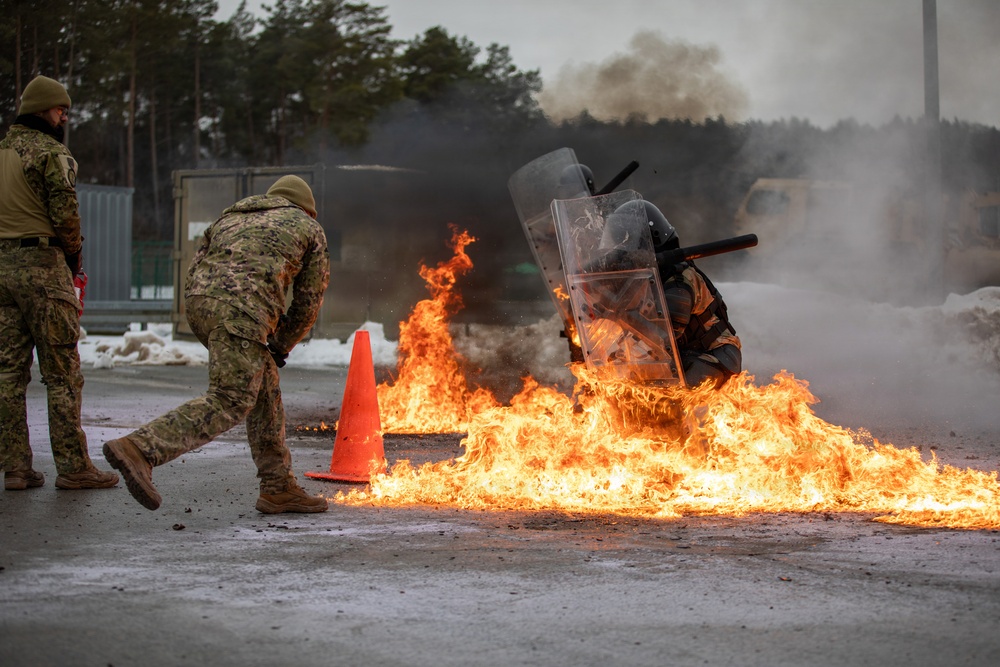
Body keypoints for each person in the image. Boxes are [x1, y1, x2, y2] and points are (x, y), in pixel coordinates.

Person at [103, 175, 331, 514]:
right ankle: (142, 448)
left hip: (199, 305)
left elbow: (197, 266)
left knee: (264, 386)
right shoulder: (309, 228)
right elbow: (308, 301)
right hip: (242, 311)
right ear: (306, 209)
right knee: (232, 396)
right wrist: (283, 343)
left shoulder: (229, 216)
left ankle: (279, 486)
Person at [0, 75, 119, 491]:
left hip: (2, 269)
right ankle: (73, 467)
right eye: (59, 109)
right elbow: (66, 215)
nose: (63, 116)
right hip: (43, 268)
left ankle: (15, 467)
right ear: (41, 110)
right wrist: (73, 261)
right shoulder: (52, 153)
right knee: (62, 372)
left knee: (7, 374)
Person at [601, 199, 742, 389]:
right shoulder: (648, 277)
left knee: (665, 394)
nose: (625, 256)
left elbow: (664, 335)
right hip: (682, 355)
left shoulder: (680, 280)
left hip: (715, 357)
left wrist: (620, 314)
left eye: (627, 248)